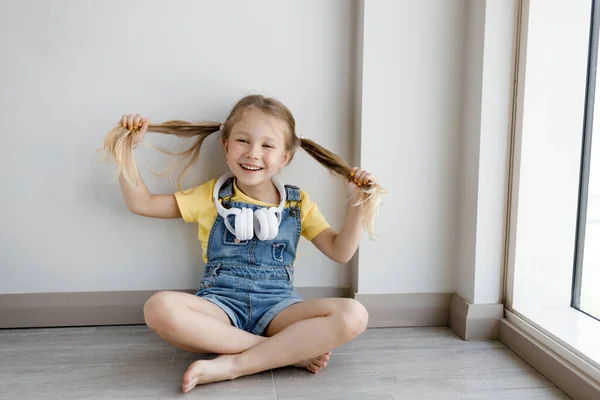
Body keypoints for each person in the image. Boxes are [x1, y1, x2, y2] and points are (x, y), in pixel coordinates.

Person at [103, 95, 386, 393]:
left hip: (279, 308)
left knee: (355, 315)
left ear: (285, 157)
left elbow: (341, 252)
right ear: (225, 147)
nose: (253, 153)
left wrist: (358, 203)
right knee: (158, 307)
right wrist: (126, 151)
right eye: (242, 141)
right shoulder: (211, 196)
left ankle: (234, 365)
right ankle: (285, 353)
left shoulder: (297, 203)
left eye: (267, 145)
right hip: (219, 306)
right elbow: (142, 203)